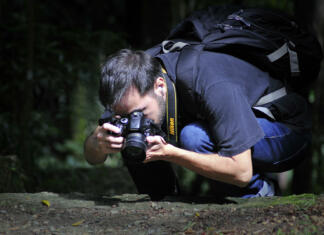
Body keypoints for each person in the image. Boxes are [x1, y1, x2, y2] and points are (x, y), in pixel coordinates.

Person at [84, 48, 312, 200]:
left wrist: (170, 154)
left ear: (160, 86)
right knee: (133, 133)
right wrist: (99, 142)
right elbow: (92, 156)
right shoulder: (129, 87)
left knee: (194, 137)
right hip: (235, 128)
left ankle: (260, 194)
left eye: (141, 112)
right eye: (125, 114)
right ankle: (164, 200)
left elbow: (241, 171)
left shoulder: (210, 83)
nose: (137, 118)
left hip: (287, 129)